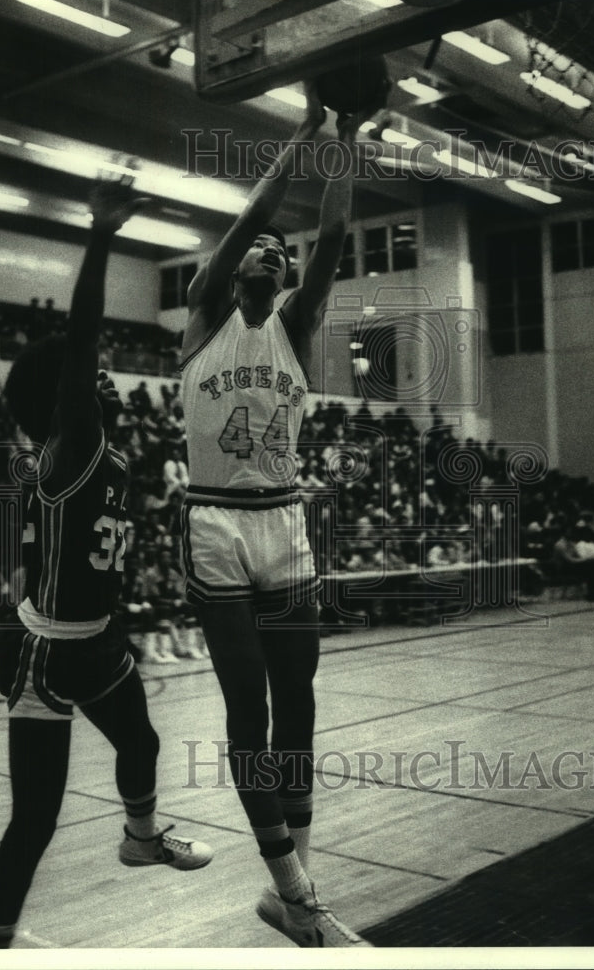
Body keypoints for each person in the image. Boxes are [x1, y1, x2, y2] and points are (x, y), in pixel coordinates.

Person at [0, 176, 212, 950]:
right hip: (47, 652)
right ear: (66, 395)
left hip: (99, 637)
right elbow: (78, 350)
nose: (104, 373)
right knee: (33, 824)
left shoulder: (105, 453)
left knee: (141, 746)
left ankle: (140, 839)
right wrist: (102, 236)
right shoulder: (68, 449)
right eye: (92, 371)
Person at [180, 80, 384, 948]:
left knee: (298, 701)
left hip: (285, 525)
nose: (269, 253)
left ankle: (291, 883)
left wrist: (351, 134)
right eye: (257, 250)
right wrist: (304, 129)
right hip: (216, 526)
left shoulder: (298, 330)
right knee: (246, 708)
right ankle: (297, 889)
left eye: (278, 251)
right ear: (238, 269)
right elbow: (251, 218)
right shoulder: (202, 315)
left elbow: (334, 233)